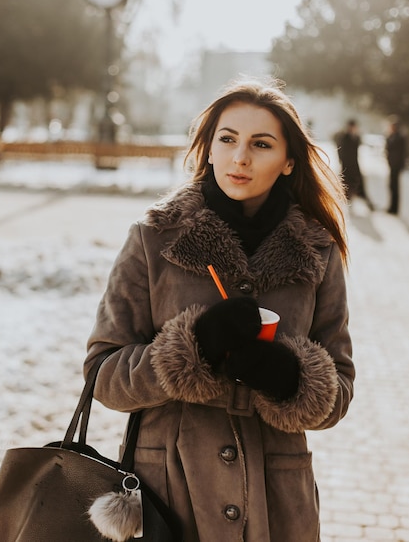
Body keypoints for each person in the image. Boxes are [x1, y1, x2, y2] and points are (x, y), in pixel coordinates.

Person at [84, 78, 355, 542]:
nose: (240, 157)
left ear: (289, 161)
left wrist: (290, 379)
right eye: (226, 139)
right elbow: (102, 376)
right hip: (169, 492)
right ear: (208, 149)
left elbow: (341, 389)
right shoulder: (154, 238)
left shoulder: (317, 250)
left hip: (277, 499)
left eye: (261, 144)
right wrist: (191, 351)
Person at [335, 118, 374, 210]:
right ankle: (346, 202)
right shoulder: (344, 137)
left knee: (359, 183)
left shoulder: (356, 137)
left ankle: (366, 202)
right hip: (346, 165)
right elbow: (340, 151)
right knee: (346, 184)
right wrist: (342, 161)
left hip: (355, 164)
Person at [385, 115, 406, 215]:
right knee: (391, 186)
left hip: (396, 165)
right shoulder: (390, 136)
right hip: (391, 164)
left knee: (395, 186)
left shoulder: (400, 138)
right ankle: (391, 206)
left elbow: (403, 152)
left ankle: (395, 208)